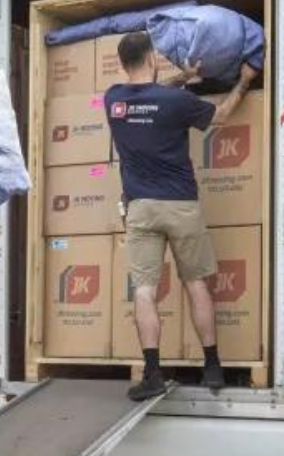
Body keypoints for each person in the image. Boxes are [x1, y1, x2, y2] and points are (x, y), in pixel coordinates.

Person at [104, 31, 258, 401]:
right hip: (181, 206)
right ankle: (212, 366)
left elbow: (147, 95)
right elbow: (218, 115)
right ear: (153, 59)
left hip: (140, 208)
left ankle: (153, 373)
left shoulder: (113, 100)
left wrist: (182, 77)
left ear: (124, 65)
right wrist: (244, 81)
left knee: (144, 290)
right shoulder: (175, 102)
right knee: (195, 283)